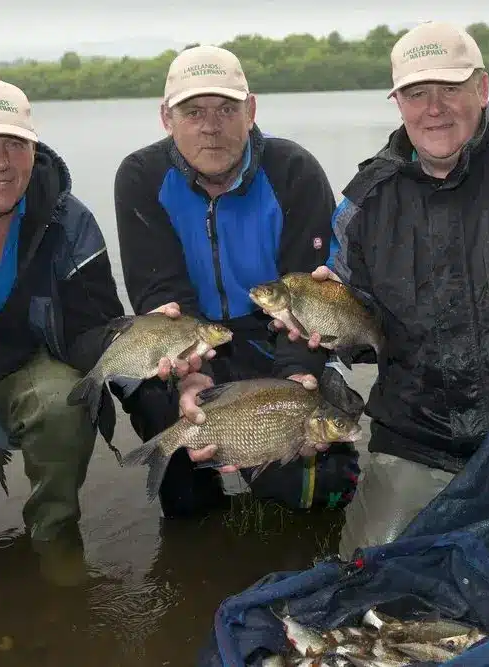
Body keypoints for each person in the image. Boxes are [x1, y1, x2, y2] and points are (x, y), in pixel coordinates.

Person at [270, 21, 489, 558]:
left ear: (482, 89)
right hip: (417, 437)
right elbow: (348, 338)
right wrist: (308, 360)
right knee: (368, 582)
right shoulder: (365, 203)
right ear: (398, 103)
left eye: (450, 89)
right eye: (416, 93)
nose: (433, 108)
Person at [114, 45, 360, 518]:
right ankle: (194, 514)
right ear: (167, 118)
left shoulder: (294, 171)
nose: (211, 126)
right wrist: (193, 374)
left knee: (318, 485)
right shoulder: (141, 176)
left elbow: (307, 298)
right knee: (157, 406)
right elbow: (160, 293)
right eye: (193, 111)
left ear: (251, 111)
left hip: (274, 334)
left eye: (227, 109)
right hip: (194, 333)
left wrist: (294, 379)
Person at [0, 78, 128, 584]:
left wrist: (148, 359)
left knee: (65, 400)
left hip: (19, 374)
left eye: (15, 143)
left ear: (35, 149)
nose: (0, 160)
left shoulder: (67, 219)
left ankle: (55, 539)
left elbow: (92, 327)